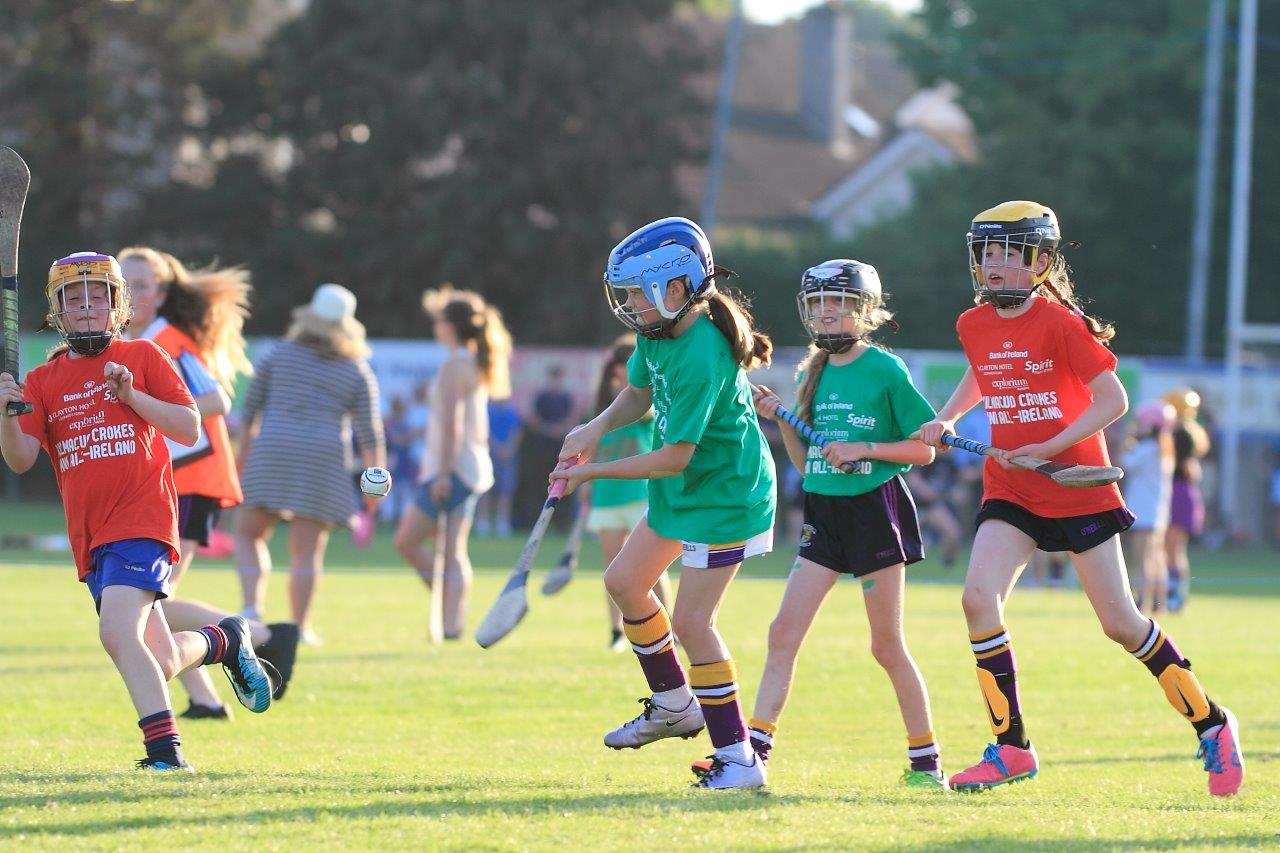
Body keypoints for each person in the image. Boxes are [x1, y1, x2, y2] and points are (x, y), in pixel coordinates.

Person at [917, 201, 1242, 796]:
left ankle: (1213, 723)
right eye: (985, 252)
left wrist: (1052, 443)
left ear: (1039, 262)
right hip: (1012, 488)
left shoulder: (1063, 324)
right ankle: (1011, 748)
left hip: (1078, 490)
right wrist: (944, 418)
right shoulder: (973, 324)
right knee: (976, 597)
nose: (992, 264)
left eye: (1007, 253)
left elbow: (1112, 400)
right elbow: (983, 371)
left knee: (1120, 624)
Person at [0, 252, 273, 770]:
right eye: (72, 299)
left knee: (116, 634)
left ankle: (165, 754)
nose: (84, 308)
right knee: (161, 660)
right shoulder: (40, 381)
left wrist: (132, 396)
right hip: (92, 536)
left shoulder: (144, 357)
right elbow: (20, 460)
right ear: (57, 310)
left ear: (116, 305)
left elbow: (190, 427)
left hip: (144, 520)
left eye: (96, 297)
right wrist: (5, 417)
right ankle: (225, 639)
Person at [550, 216, 776, 790]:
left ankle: (739, 760)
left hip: (727, 497)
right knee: (625, 582)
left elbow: (673, 456)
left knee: (694, 622)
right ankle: (676, 704)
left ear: (674, 290)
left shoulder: (702, 350)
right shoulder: (656, 334)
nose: (627, 304)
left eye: (635, 293)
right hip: (686, 491)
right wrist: (593, 429)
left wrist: (593, 472)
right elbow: (637, 392)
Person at [744, 259, 947, 790]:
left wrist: (866, 448)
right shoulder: (810, 371)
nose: (826, 314)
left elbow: (924, 451)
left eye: (838, 304)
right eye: (817, 305)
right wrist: (782, 420)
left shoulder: (884, 370)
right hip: (824, 513)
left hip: (874, 511)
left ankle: (927, 763)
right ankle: (753, 755)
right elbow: (804, 459)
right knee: (783, 632)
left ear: (865, 311)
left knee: (886, 646)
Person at [119, 246, 298, 718]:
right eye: (123, 284)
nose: (132, 294)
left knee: (153, 602)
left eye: (142, 285)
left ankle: (260, 636)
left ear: (159, 294)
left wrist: (158, 415)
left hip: (191, 482)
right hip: (167, 484)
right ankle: (206, 700)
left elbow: (216, 400)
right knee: (153, 604)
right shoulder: (131, 344)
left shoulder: (170, 341)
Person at [235, 283, 385, 645]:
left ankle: (252, 608)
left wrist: (241, 460)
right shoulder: (356, 368)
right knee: (306, 551)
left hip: (273, 448)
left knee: (248, 532)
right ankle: (300, 627)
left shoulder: (277, 354)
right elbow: (370, 434)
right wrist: (374, 488)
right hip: (324, 456)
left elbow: (249, 412)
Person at [394, 285, 512, 642]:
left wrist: (443, 474)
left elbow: (451, 426)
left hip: (454, 468)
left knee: (408, 541)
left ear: (451, 325)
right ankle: (452, 621)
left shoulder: (454, 365)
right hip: (471, 467)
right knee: (451, 548)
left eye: (439, 320)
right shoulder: (470, 363)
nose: (435, 325)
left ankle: (449, 610)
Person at [583, 335, 673, 652]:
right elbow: (591, 452)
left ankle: (668, 627)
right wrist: (586, 488)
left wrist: (630, 387)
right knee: (613, 571)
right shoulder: (601, 409)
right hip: (607, 497)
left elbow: (643, 409)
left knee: (651, 567)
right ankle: (616, 631)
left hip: (640, 495)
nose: (622, 373)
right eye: (618, 367)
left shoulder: (644, 401)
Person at [1122, 401, 1175, 613]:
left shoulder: (1147, 448)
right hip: (1157, 513)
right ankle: (1160, 603)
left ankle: (1142, 603)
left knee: (1142, 560)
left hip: (1142, 513)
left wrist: (1127, 440)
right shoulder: (1164, 448)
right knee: (1156, 558)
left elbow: (1124, 464)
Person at [1163, 388, 1210, 612]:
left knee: (1172, 549)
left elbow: (1184, 468)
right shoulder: (1192, 432)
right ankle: (1172, 596)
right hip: (1183, 492)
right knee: (1172, 550)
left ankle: (1176, 597)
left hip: (1177, 493)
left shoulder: (1180, 435)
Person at [476, 394, 522, 537]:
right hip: (489, 455)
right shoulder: (486, 411)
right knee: (485, 490)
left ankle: (502, 522)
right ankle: (483, 522)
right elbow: (484, 432)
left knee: (506, 491)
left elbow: (517, 433)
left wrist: (509, 449)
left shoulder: (512, 413)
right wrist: (496, 448)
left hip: (508, 456)